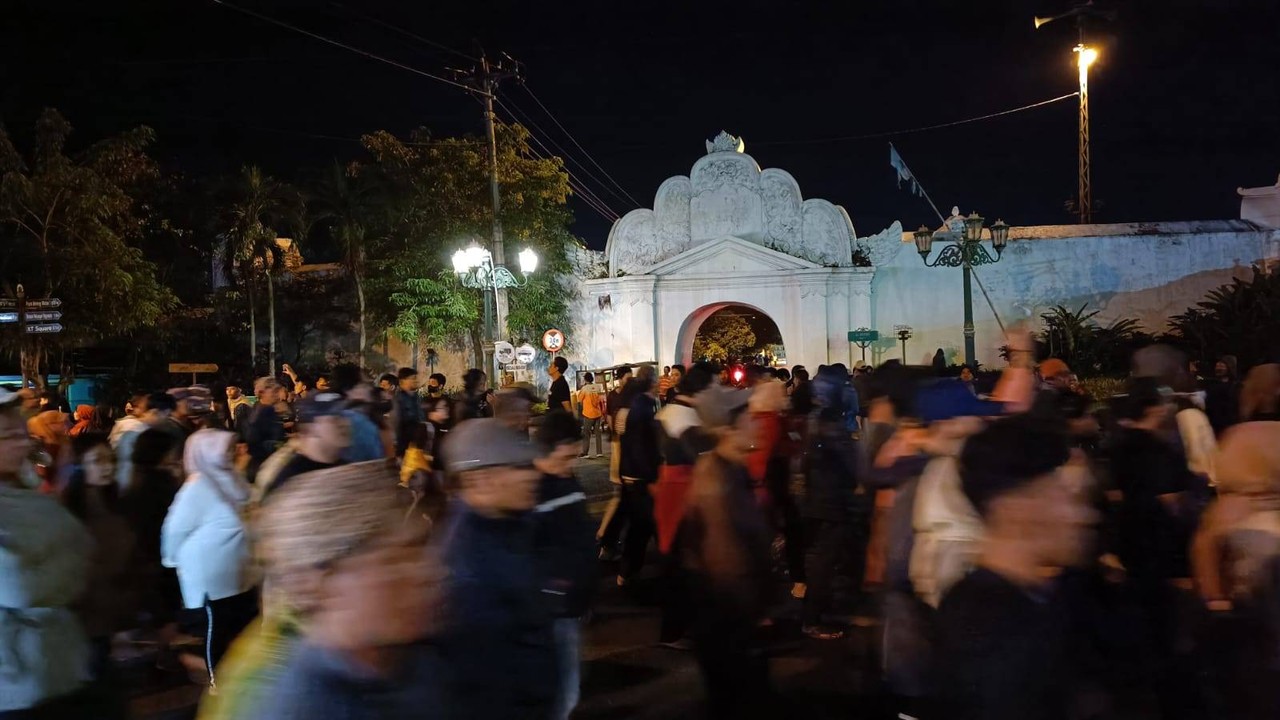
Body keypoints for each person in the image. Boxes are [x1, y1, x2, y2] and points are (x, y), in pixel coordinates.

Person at [249, 462, 448, 720]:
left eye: (419, 550)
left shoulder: (419, 660)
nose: (427, 572)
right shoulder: (303, 708)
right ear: (320, 583)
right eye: (394, 560)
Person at [935, 415, 1103, 720]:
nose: (1085, 516)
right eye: (1068, 496)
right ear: (1013, 509)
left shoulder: (1055, 595)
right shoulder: (989, 631)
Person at [439, 418, 559, 717]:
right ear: (481, 479)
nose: (532, 475)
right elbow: (483, 679)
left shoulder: (512, 523)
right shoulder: (466, 564)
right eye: (518, 467)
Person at [0, 388, 96, 717]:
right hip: (15, 682)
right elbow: (21, 586)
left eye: (20, 433)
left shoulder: (23, 485)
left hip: (56, 665)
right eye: (7, 436)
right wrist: (72, 562)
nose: (23, 444)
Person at [681, 384, 775, 718]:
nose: (759, 422)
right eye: (750, 417)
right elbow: (726, 561)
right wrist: (755, 611)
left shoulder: (733, 471)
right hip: (728, 620)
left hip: (730, 619)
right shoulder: (717, 480)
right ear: (728, 429)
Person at [161, 428, 259, 690]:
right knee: (217, 634)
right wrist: (172, 560)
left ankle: (239, 684)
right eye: (224, 448)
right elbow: (175, 529)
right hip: (211, 580)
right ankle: (217, 687)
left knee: (240, 631)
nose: (232, 452)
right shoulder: (198, 486)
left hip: (239, 576)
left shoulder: (231, 479)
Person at [533, 412, 597, 720]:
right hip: (550, 608)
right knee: (559, 691)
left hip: (571, 605)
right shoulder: (532, 488)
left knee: (568, 687)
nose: (570, 465)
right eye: (566, 457)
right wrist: (554, 588)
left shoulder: (565, 480)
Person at [262, 392, 351, 499]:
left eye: (345, 416)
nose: (345, 423)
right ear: (312, 428)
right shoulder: (291, 484)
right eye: (335, 419)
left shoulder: (345, 468)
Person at [618, 368, 660, 585]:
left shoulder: (633, 402)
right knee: (644, 525)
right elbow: (640, 444)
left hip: (631, 472)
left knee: (639, 525)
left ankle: (627, 571)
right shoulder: (642, 406)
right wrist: (648, 476)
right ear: (651, 382)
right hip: (641, 476)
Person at [244, 376, 286, 482]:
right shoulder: (265, 412)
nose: (277, 395)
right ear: (262, 392)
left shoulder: (259, 408)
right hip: (265, 467)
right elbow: (254, 440)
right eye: (274, 391)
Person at [392, 367, 425, 458]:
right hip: (404, 447)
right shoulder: (398, 400)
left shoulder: (416, 398)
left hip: (416, 446)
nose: (416, 381)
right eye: (412, 378)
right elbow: (396, 423)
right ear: (402, 381)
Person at [576, 372, 606, 458]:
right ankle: (599, 452)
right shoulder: (598, 387)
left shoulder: (584, 389)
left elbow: (579, 400)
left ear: (585, 379)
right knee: (598, 433)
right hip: (598, 413)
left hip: (588, 414)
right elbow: (602, 400)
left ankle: (585, 453)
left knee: (586, 433)